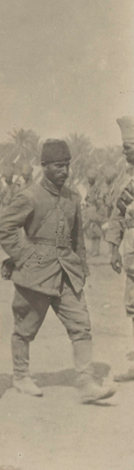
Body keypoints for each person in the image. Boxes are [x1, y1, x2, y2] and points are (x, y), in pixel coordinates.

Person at [0, 139, 116, 403]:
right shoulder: (29, 196)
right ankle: (21, 376)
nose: (64, 171)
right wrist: (22, 256)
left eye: (67, 166)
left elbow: (77, 239)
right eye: (58, 166)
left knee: (81, 325)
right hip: (35, 273)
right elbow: (4, 227)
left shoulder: (73, 197)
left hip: (67, 272)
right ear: (44, 166)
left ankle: (86, 382)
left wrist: (82, 268)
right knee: (25, 328)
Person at [107, 116, 134, 382]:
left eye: (128, 146)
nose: (125, 151)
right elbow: (117, 215)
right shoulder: (127, 177)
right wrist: (113, 249)